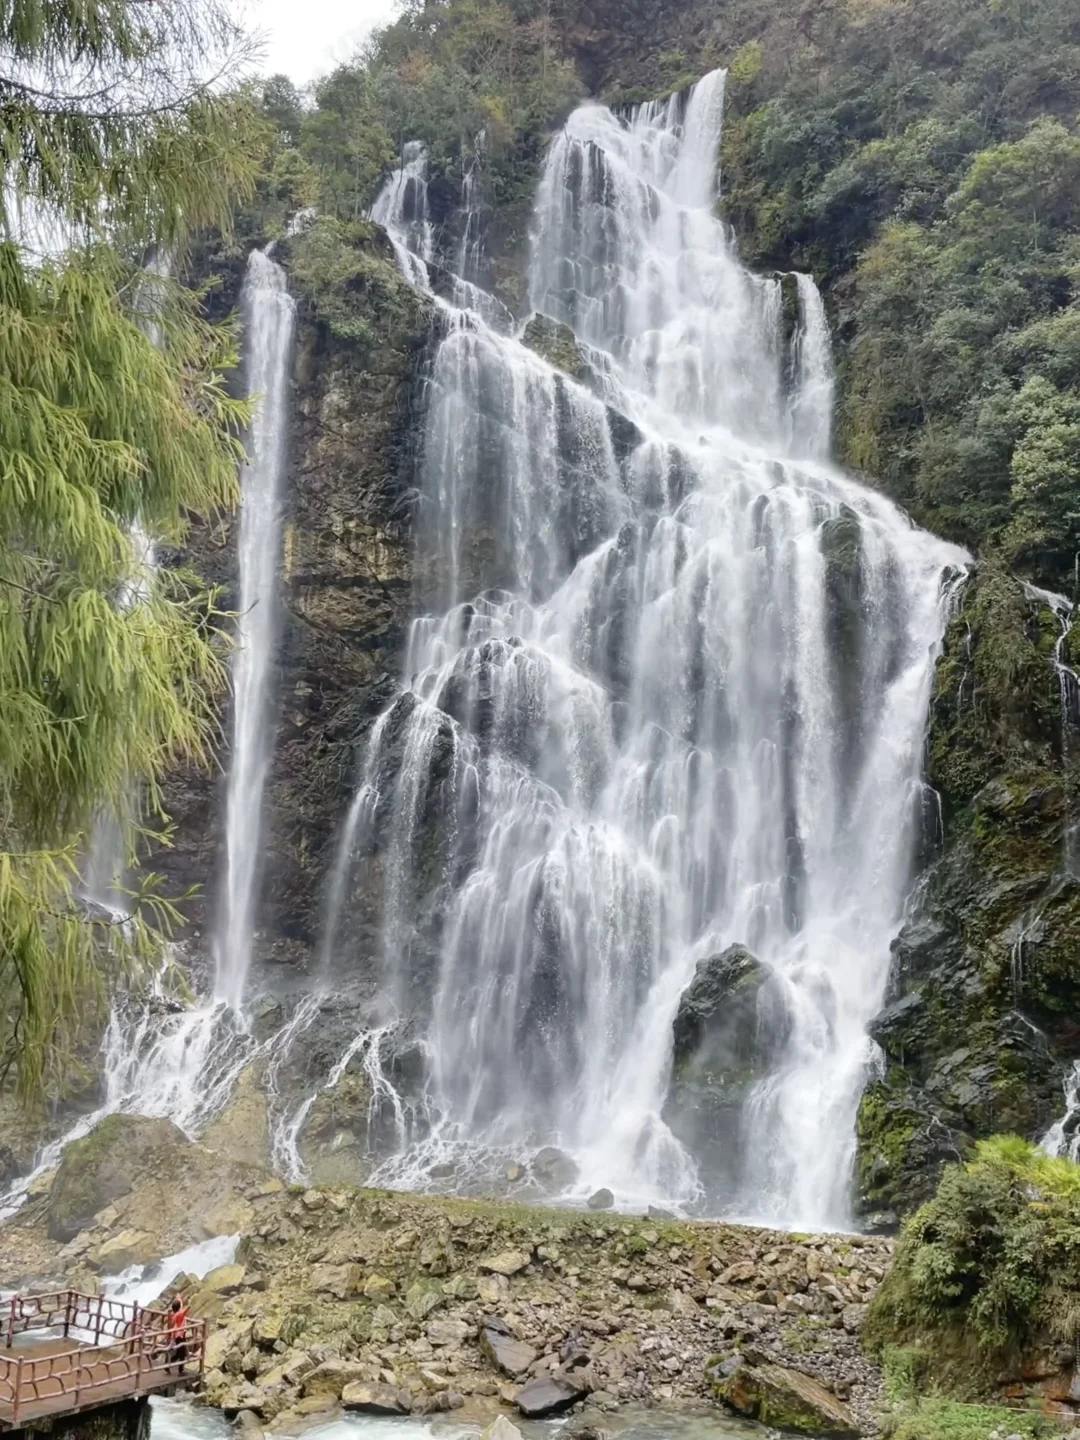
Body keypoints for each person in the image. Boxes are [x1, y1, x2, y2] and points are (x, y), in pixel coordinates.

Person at [166, 1295, 189, 1375]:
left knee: (179, 1353)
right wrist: (189, 1306)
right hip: (180, 1336)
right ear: (179, 1308)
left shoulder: (176, 1313)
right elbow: (184, 1311)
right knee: (181, 1353)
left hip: (177, 1335)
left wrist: (179, 1297)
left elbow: (181, 1305)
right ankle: (180, 1370)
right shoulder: (179, 1315)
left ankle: (168, 1365)